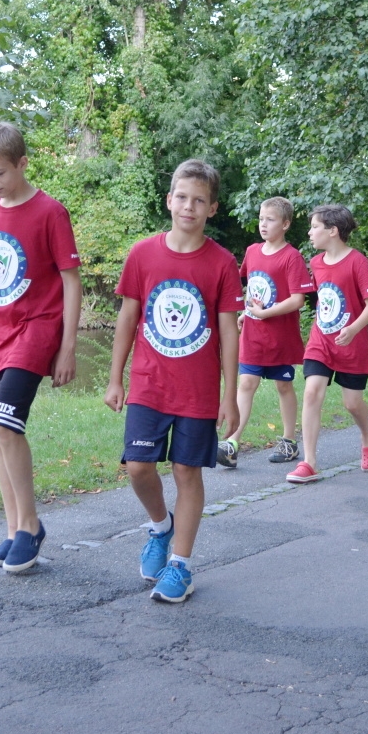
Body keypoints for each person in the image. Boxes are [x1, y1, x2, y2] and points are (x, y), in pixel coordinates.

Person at [104, 159, 243, 602]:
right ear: (169, 201)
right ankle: (160, 528)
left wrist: (230, 396)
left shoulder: (221, 263)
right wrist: (115, 378)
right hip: (149, 383)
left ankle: (180, 566)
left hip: (198, 391)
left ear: (212, 209)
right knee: (139, 467)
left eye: (199, 200)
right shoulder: (143, 254)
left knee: (186, 471)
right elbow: (128, 318)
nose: (189, 206)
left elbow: (227, 330)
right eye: (182, 197)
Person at [0, 120, 82, 573]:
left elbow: (72, 282)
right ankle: (13, 531)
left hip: (36, 327)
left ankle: (30, 527)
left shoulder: (51, 212)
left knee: (6, 421)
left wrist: (67, 345)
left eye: (0, 174)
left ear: (22, 164)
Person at [286, 204, 368, 484]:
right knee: (312, 392)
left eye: (315, 226)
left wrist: (352, 329)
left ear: (333, 230)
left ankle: (367, 437)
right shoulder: (315, 263)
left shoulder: (357, 262)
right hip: (321, 341)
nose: (310, 232)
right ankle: (309, 462)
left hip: (352, 342)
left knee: (352, 404)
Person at [217, 197, 315, 468]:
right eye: (261, 219)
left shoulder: (291, 257)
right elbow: (254, 288)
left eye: (270, 219)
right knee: (246, 383)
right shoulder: (252, 251)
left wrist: (264, 314)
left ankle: (289, 441)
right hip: (252, 334)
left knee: (283, 385)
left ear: (285, 224)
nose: (263, 224)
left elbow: (298, 300)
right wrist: (246, 313)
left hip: (280, 338)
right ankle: (232, 443)